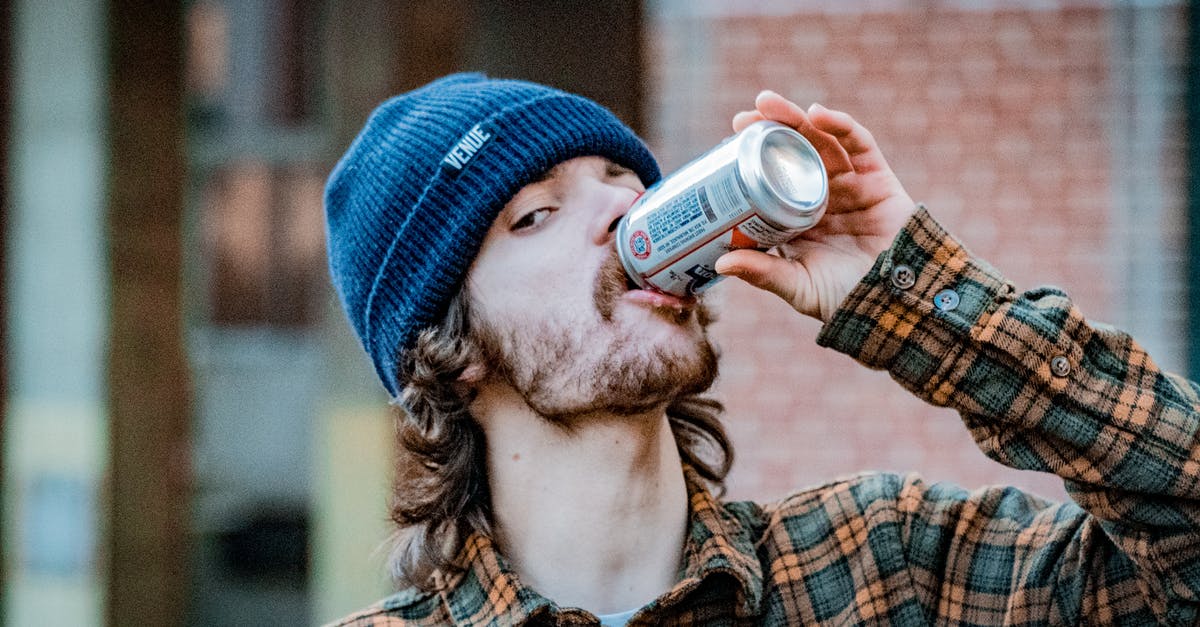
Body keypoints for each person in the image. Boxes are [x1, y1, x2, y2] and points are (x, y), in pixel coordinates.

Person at [323, 73, 1200, 626]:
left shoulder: (889, 565)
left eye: (626, 184)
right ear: (452, 349)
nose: (624, 215)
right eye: (536, 215)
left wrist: (918, 293)